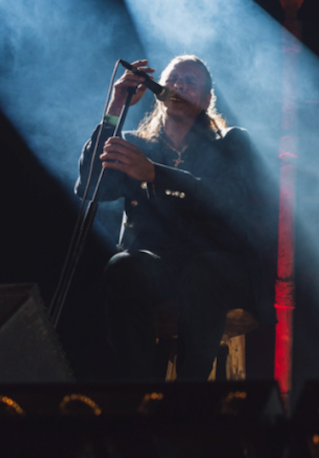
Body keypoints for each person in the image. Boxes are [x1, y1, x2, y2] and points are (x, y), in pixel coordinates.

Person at [77, 56, 274, 381]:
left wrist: (156, 174)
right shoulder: (136, 145)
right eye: (172, 80)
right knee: (122, 267)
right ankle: (140, 395)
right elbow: (89, 186)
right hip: (160, 266)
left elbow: (230, 198)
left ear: (207, 99)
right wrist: (115, 107)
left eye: (191, 81)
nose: (179, 85)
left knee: (203, 272)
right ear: (159, 90)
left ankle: (185, 399)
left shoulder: (231, 142)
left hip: (220, 266)